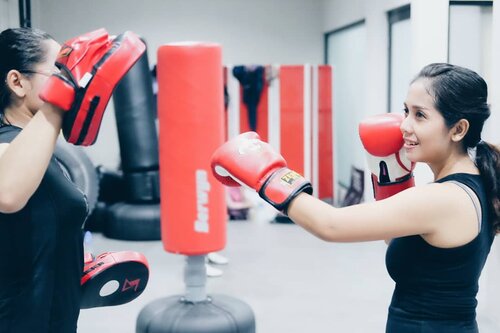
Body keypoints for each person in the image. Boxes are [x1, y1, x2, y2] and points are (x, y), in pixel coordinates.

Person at [211, 63, 500, 332]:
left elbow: (331, 224)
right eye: (406, 111)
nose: (404, 126)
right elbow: (397, 240)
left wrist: (267, 174)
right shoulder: (474, 181)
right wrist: (393, 181)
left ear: (458, 129)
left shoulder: (443, 199)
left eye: (420, 115)